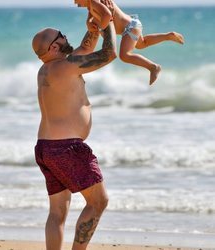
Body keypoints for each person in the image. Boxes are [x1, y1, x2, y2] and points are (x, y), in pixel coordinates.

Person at [32, 13, 116, 250]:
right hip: (66, 148)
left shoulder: (49, 69)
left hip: (45, 148)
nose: (65, 35)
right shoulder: (64, 68)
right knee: (99, 201)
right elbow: (108, 54)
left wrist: (94, 29)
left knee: (57, 212)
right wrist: (108, 23)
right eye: (61, 35)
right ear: (55, 46)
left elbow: (82, 50)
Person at [74, 0, 185, 85]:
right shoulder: (91, 4)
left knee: (125, 55)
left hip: (129, 27)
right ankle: (168, 36)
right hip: (131, 24)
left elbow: (107, 15)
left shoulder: (94, 1)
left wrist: (101, 28)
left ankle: (153, 67)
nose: (74, 2)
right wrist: (88, 22)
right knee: (142, 43)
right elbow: (91, 15)